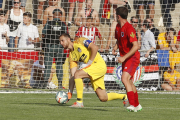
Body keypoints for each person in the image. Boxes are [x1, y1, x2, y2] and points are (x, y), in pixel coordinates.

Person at [59, 33, 129, 107]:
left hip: (99, 65)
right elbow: (73, 76)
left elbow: (95, 48)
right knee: (103, 97)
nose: (61, 43)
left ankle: (79, 102)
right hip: (93, 69)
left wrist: (89, 62)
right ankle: (125, 97)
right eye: (60, 41)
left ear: (68, 39)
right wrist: (69, 92)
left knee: (78, 74)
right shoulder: (71, 56)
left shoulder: (80, 41)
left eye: (62, 41)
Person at [112, 6, 142, 112]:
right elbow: (119, 40)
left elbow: (136, 46)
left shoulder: (129, 28)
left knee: (124, 79)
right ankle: (137, 104)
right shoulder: (117, 27)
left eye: (115, 15)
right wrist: (115, 48)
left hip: (132, 57)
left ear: (118, 16)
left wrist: (124, 57)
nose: (114, 17)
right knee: (129, 81)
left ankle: (132, 105)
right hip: (126, 58)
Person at [42, 8, 67, 88]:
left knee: (48, 66)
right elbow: (66, 36)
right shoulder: (63, 24)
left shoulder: (49, 23)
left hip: (50, 46)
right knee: (59, 65)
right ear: (60, 15)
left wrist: (44, 42)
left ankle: (46, 83)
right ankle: (60, 84)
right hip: (60, 47)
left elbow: (43, 33)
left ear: (53, 15)